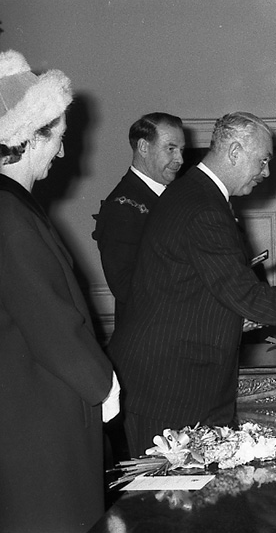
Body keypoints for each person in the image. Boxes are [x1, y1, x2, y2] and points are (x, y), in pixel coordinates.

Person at [108, 112, 276, 457]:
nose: (266, 172)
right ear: (234, 152)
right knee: (171, 499)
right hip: (170, 383)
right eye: (262, 161)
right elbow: (245, 294)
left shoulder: (196, 194)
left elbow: (192, 288)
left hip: (177, 376)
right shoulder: (203, 207)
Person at [0, 49, 120, 532]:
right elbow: (50, 321)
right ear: (29, 138)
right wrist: (103, 384)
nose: (63, 153)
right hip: (38, 428)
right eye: (59, 140)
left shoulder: (15, 209)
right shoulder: (10, 217)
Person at [92, 112, 185, 323]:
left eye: (181, 150)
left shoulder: (172, 197)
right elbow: (126, 287)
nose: (180, 159)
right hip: (150, 336)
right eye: (171, 149)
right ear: (143, 147)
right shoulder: (122, 207)